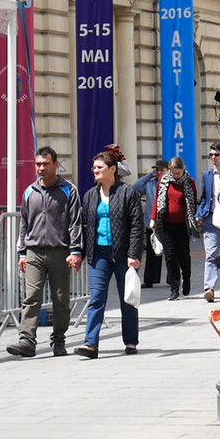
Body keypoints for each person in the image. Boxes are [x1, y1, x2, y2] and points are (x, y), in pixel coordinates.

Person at [7, 146, 83, 358]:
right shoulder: (30, 191)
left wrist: (75, 250)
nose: (41, 168)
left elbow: (75, 223)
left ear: (56, 165)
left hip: (60, 252)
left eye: (45, 164)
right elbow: (24, 223)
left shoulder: (68, 190)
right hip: (34, 253)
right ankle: (27, 341)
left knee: (61, 300)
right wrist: (22, 252)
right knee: (31, 297)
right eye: (38, 164)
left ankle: (58, 341)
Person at [73, 151, 144, 359]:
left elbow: (136, 226)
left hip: (123, 254)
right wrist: (80, 253)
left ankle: (130, 341)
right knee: (96, 299)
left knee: (127, 299)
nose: (95, 171)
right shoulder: (89, 195)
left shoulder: (127, 193)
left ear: (113, 169)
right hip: (99, 254)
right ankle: (90, 344)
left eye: (100, 167)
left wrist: (134, 253)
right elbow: (85, 226)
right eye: (94, 168)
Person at [151, 156, 199, 301]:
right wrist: (153, 218)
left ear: (183, 170)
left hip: (182, 224)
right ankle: (174, 287)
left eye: (177, 173)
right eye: (172, 172)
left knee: (184, 254)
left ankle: (187, 278)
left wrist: (194, 218)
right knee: (170, 256)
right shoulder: (164, 180)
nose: (174, 175)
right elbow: (157, 200)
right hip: (165, 224)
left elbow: (193, 202)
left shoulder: (189, 182)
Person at [195, 142, 220, 303]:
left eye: (216, 155)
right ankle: (209, 288)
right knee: (211, 254)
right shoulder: (207, 175)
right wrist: (199, 213)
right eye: (211, 155)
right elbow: (204, 197)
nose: (213, 158)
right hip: (211, 218)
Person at [132, 159, 168, 288]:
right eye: (156, 169)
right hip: (151, 222)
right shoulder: (150, 184)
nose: (158, 172)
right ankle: (150, 279)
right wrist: (149, 175)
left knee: (170, 252)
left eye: (160, 170)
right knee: (152, 252)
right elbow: (136, 187)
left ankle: (172, 279)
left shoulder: (170, 183)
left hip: (167, 222)